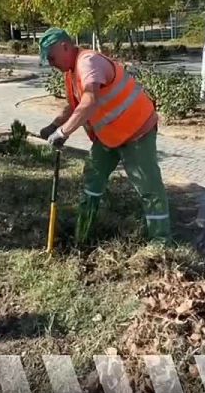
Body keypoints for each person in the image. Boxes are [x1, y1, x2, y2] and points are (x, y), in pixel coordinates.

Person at [37, 27, 172, 245]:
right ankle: (83, 233)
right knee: (92, 180)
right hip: (109, 137)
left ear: (65, 47)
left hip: (138, 131)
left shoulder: (87, 62)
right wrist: (53, 125)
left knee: (149, 187)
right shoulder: (71, 73)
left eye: (51, 57)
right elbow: (75, 106)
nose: (51, 63)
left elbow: (90, 100)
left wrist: (63, 132)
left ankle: (161, 242)